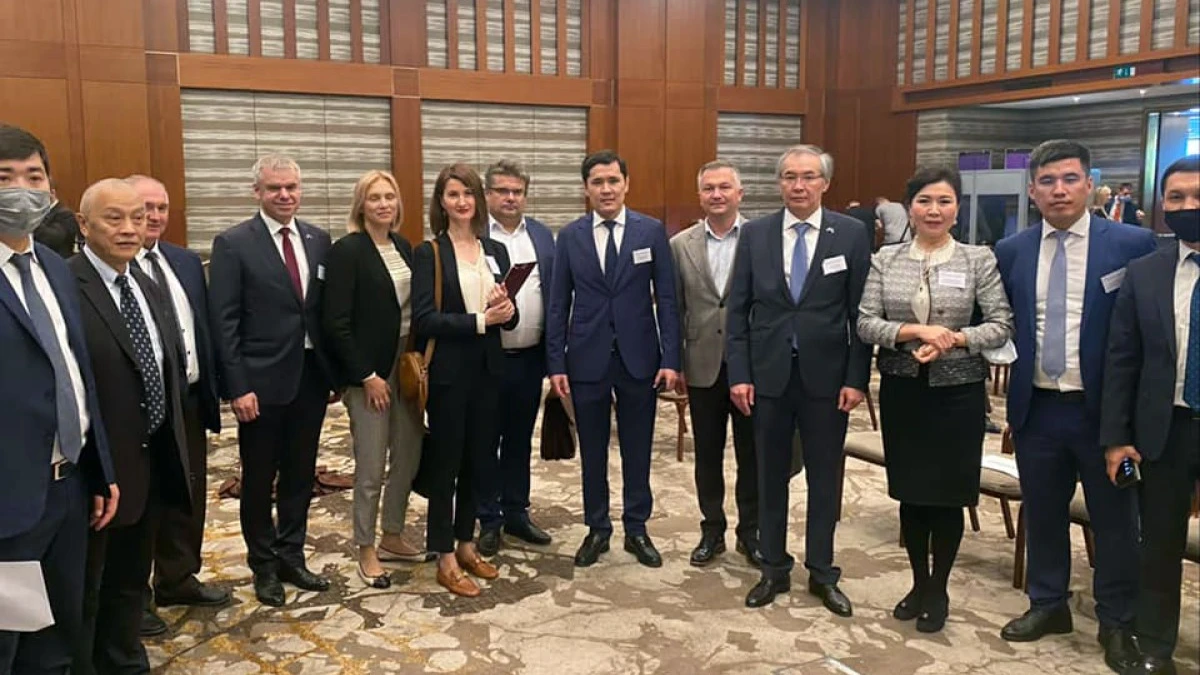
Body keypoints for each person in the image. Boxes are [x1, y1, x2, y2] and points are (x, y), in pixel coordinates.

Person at [994, 140, 1155, 672]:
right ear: (1032, 190)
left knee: (1116, 520)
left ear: (1090, 184)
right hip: (1037, 409)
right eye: (1047, 181)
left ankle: (1117, 621)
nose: (1058, 190)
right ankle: (1048, 603)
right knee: (1043, 512)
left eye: (1069, 179)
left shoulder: (1133, 244)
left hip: (1108, 415)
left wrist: (1129, 420)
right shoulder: (1012, 250)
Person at [857, 165, 1014, 633]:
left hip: (958, 394)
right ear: (910, 208)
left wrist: (955, 338)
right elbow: (865, 322)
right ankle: (918, 582)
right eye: (924, 201)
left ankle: (938, 588)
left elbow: (1001, 324)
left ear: (957, 209)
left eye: (944, 201)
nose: (934, 210)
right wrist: (913, 331)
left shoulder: (977, 259)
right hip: (904, 389)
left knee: (947, 496)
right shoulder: (886, 259)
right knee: (912, 493)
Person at [726, 144, 872, 614]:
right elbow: (738, 310)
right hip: (767, 377)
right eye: (790, 176)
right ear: (779, 183)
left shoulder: (850, 234)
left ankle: (823, 572)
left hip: (828, 381)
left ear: (825, 183)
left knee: (824, 480)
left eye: (808, 176)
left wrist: (856, 378)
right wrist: (739, 373)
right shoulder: (757, 234)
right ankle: (773, 568)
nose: (799, 185)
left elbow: (861, 314)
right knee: (770, 477)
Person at [0, 124, 118, 675]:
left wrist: (99, 469)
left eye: (34, 176)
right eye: (5, 177)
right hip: (9, 503)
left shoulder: (53, 267)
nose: (22, 190)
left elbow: (78, 375)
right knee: (7, 643)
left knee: (57, 639)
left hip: (68, 490)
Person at [69, 178, 191, 674]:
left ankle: (123, 658)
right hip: (101, 467)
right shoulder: (67, 284)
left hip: (151, 454)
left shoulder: (142, 279)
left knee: (130, 577)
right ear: (84, 225)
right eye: (113, 218)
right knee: (90, 584)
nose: (129, 229)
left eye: (137, 218)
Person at [208, 154, 335, 607]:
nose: (284, 195)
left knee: (301, 475)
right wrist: (237, 386)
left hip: (310, 379)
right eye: (275, 188)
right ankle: (263, 566)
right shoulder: (233, 243)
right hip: (259, 385)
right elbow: (224, 322)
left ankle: (291, 556)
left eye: (291, 187)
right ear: (257, 192)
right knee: (259, 481)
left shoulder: (319, 239)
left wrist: (333, 371)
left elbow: (322, 312)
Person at [546, 150, 681, 569]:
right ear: (586, 189)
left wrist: (671, 357)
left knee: (638, 449)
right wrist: (556, 364)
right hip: (586, 359)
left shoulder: (650, 232)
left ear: (626, 184)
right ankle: (597, 528)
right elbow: (557, 304)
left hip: (640, 358)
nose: (606, 189)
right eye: (597, 182)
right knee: (593, 451)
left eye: (613, 181)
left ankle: (636, 528)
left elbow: (668, 299)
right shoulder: (570, 236)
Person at [1100, 154, 1200, 675]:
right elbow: (1123, 360)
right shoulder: (1146, 272)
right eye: (1176, 197)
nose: (1188, 206)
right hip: (1167, 430)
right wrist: (1117, 438)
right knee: (1159, 544)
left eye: (1198, 196)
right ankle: (1156, 646)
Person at [127, 175, 230, 637]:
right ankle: (135, 598)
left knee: (187, 491)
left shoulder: (185, 261)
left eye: (161, 207)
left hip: (186, 397)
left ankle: (177, 577)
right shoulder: (112, 267)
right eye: (144, 207)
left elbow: (203, 327)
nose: (154, 216)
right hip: (138, 405)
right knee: (143, 499)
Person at [411, 163, 517, 597]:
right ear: (441, 201)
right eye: (453, 194)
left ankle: (466, 543)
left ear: (479, 199)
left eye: (469, 193)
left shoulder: (495, 250)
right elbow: (424, 319)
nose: (462, 201)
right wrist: (479, 321)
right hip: (449, 375)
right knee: (447, 465)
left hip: (489, 371)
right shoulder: (430, 253)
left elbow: (507, 317)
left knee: (478, 461)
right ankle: (444, 555)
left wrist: (507, 311)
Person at [322, 170, 430, 589]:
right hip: (369, 373)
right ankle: (365, 547)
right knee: (371, 463)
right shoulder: (347, 251)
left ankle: (392, 535)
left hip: (405, 367)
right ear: (361, 205)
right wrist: (367, 376)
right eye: (374, 198)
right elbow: (336, 323)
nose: (383, 204)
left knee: (408, 453)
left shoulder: (403, 246)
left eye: (389, 196)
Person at [668, 160, 760, 568]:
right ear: (700, 195)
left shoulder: (761, 238)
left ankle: (750, 532)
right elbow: (674, 308)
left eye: (725, 187)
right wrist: (675, 361)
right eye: (709, 188)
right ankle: (712, 529)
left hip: (751, 366)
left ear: (740, 193)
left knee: (751, 455)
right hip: (700, 362)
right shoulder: (680, 245)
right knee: (707, 453)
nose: (717, 194)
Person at [475, 159, 556, 556]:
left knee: (520, 439)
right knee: (485, 440)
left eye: (517, 192)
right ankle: (488, 518)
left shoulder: (541, 235)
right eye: (502, 191)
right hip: (486, 359)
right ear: (487, 194)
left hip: (529, 358)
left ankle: (516, 512)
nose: (510, 198)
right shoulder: (473, 234)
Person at [34, 179, 81, 259]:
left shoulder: (66, 214)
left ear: (52, 193)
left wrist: (31, 221)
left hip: (59, 260)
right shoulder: (39, 214)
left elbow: (53, 239)